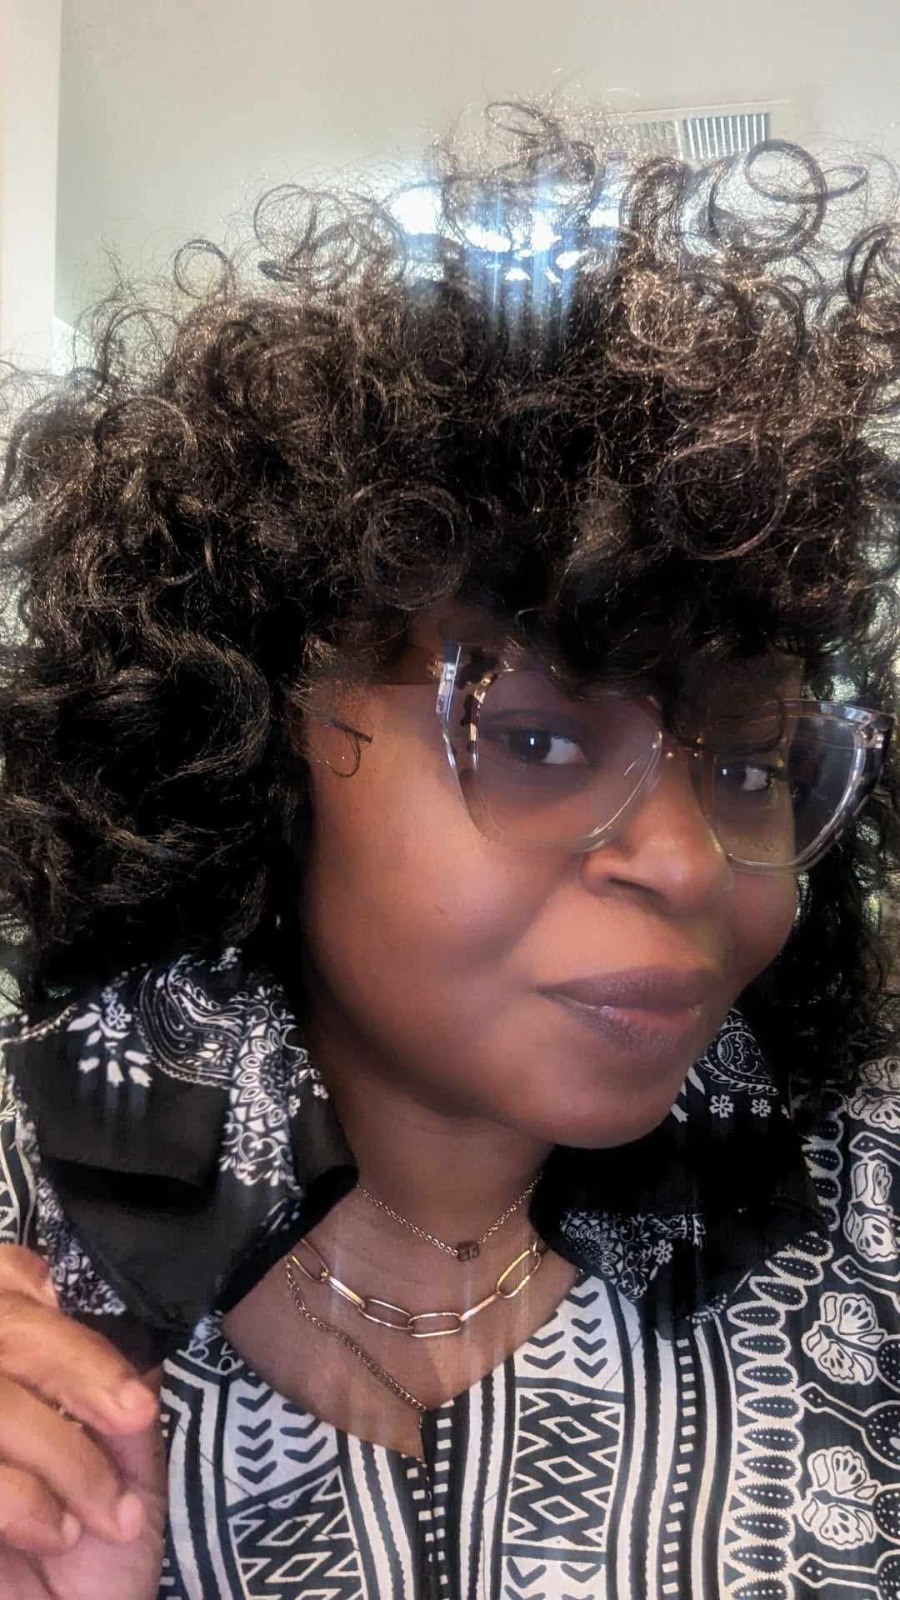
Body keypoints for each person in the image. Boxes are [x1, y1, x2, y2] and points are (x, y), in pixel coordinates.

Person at [0, 101, 898, 1600]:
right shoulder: (32, 1218)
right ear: (254, 734)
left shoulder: (864, 1215)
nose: (687, 867)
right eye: (539, 739)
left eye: (748, 766)